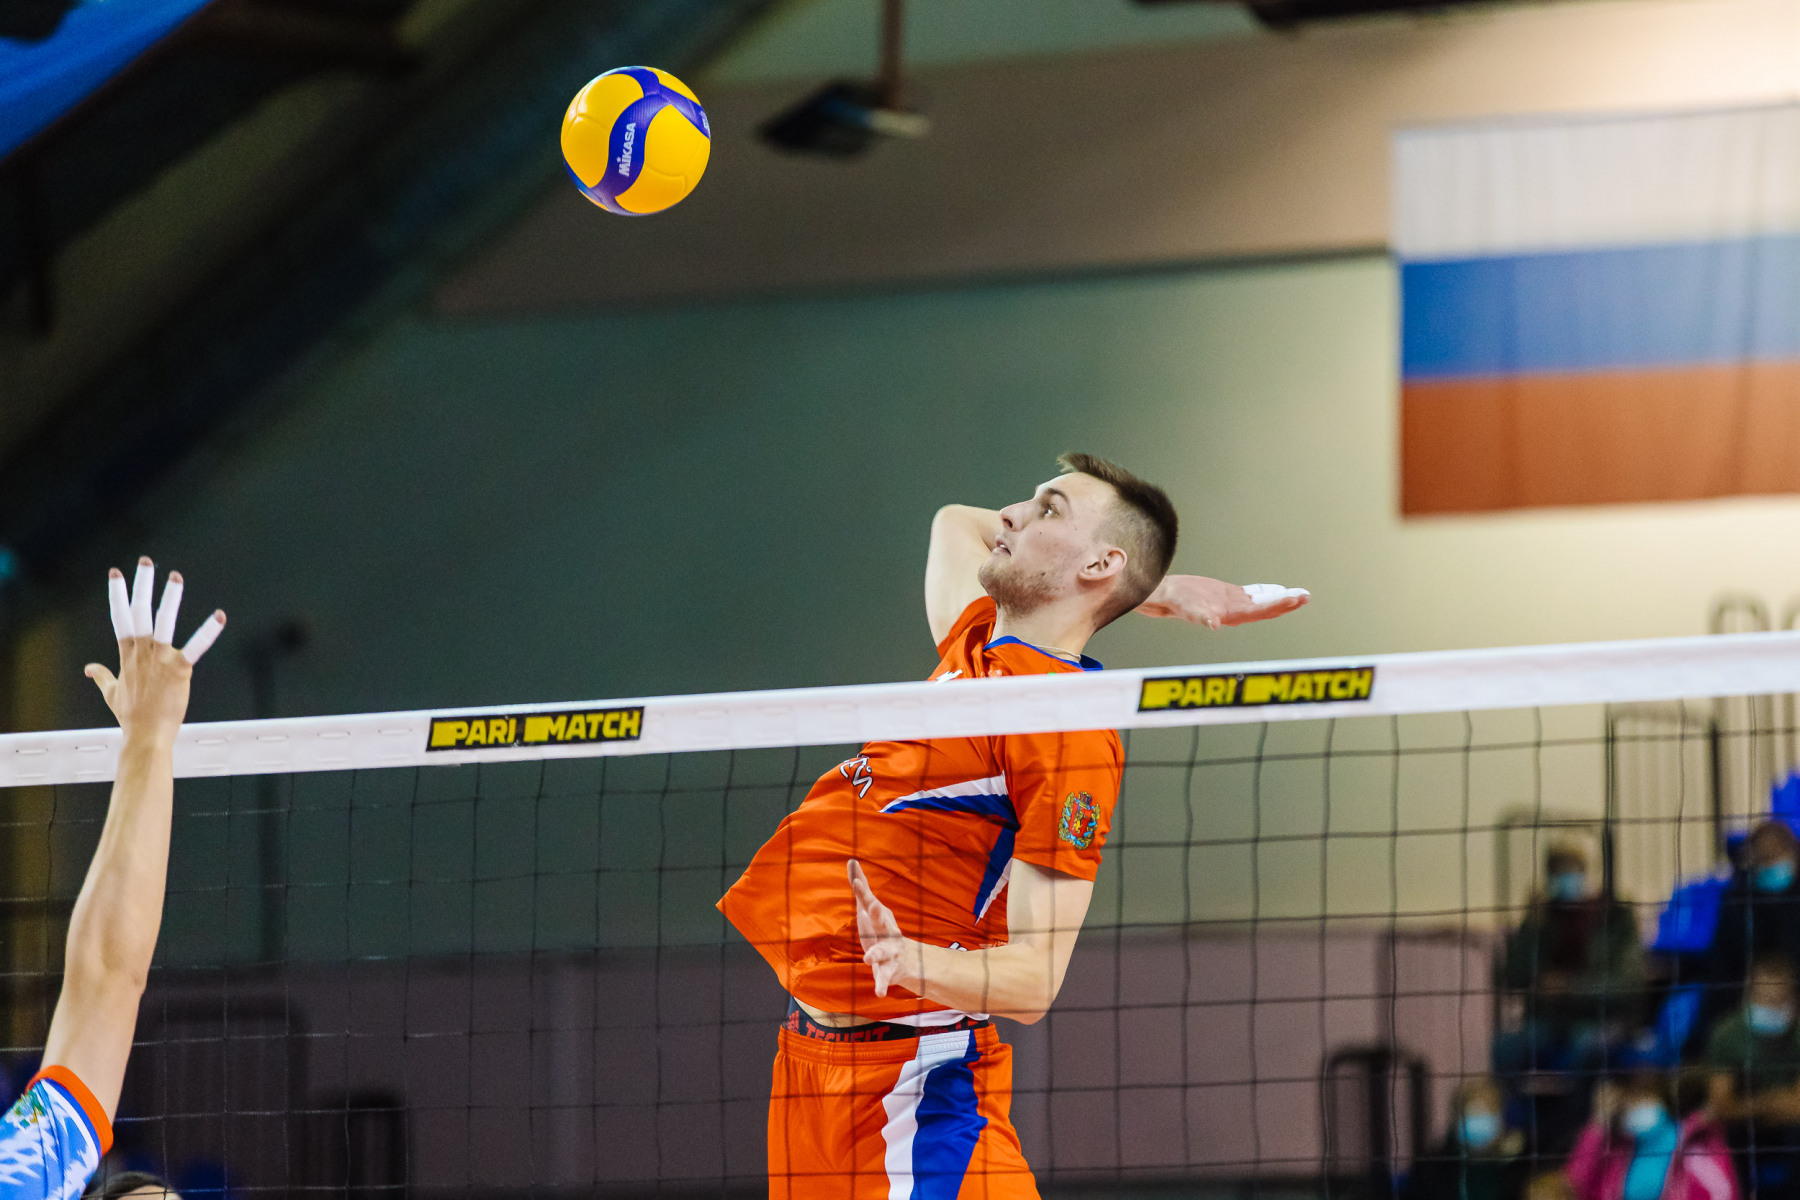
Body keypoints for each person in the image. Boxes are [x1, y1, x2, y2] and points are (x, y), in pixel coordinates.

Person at [717, 454, 1306, 1199]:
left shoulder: (1065, 728)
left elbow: (1034, 982)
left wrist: (908, 960)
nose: (1010, 514)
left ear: (1100, 561)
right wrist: (1155, 589)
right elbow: (954, 522)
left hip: (915, 1093)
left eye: (1049, 508)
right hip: (809, 1074)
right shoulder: (974, 644)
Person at [0, 559, 223, 1199]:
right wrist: (148, 741)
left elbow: (109, 976)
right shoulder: (32, 1177)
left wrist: (149, 739)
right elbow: (109, 975)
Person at [1495, 841, 1647, 1153]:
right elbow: (1514, 976)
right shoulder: (1543, 918)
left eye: (1572, 871)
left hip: (1601, 1018)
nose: (1566, 880)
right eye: (1558, 872)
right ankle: (1518, 1133)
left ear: (1587, 873)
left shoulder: (1615, 917)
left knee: (1585, 1048)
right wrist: (1532, 928)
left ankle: (1575, 1137)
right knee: (1507, 1047)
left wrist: (1571, 987)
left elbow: (1626, 985)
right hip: (1549, 1020)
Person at [1706, 955, 1800, 1198]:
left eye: (1779, 999)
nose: (1772, 1006)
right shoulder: (1728, 1033)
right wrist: (1771, 1103)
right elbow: (1721, 1106)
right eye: (1765, 998)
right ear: (1749, 993)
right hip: (1741, 1131)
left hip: (1789, 1131)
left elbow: (1798, 1106)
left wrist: (1750, 1106)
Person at [1566, 1072, 1737, 1200]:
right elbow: (1574, 1184)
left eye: (1642, 1095)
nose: (1634, 1104)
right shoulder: (1615, 1149)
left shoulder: (1696, 1141)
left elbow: (1724, 1192)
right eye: (1628, 1098)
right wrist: (1598, 1125)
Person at [1701, 822, 1800, 1035]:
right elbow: (1722, 972)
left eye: (1776, 857)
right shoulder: (1738, 904)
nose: (1771, 866)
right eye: (1765, 859)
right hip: (1741, 1015)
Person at [1401, 1077, 1529, 1200]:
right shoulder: (1432, 1167)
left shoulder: (1517, 1166)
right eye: (1472, 1114)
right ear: (1456, 1118)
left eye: (1487, 1113)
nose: (1479, 1122)